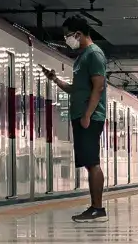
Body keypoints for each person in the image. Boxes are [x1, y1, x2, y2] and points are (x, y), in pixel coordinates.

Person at [45, 14, 108, 222]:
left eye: (68, 36)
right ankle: (95, 207)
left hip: (89, 116)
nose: (67, 40)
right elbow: (76, 89)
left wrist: (88, 115)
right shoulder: (82, 57)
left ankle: (98, 209)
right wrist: (55, 80)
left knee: (92, 162)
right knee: (89, 162)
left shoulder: (94, 55)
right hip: (81, 115)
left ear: (78, 34)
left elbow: (98, 87)